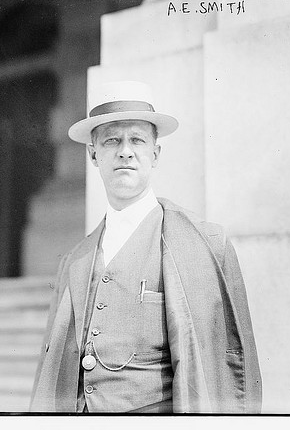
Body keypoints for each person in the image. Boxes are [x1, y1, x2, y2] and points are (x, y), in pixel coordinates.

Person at [30, 81, 261, 413]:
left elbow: (231, 375)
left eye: (137, 139)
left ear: (155, 154)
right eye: (112, 140)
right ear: (93, 154)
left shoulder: (206, 245)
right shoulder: (75, 260)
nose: (125, 150)